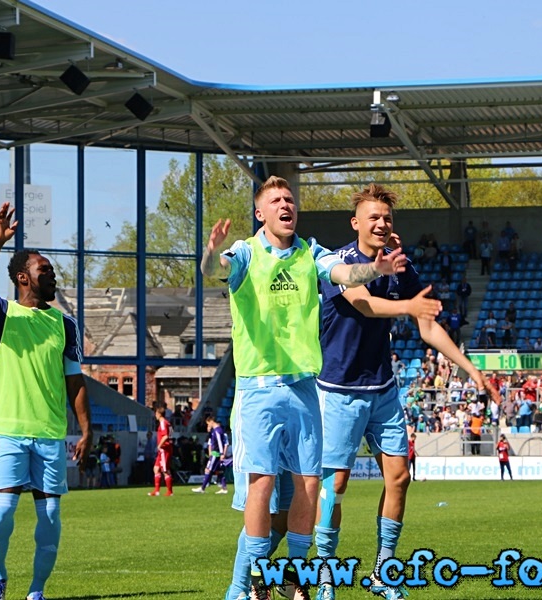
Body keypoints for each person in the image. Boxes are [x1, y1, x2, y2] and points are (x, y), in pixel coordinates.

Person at [201, 175, 408, 599]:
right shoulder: (245, 253)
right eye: (276, 200)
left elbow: (345, 272)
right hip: (258, 390)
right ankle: (258, 579)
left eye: (290, 199)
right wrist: (208, 254)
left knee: (309, 486)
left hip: (304, 389)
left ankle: (294, 580)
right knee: (261, 485)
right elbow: (214, 271)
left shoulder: (310, 252)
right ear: (261, 213)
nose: (285, 205)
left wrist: (377, 268)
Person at [312, 183, 498, 600]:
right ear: (355, 222)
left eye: (387, 218)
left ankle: (382, 572)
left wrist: (470, 369)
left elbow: (428, 325)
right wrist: (407, 307)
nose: (381, 223)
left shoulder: (401, 266)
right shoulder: (338, 263)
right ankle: (326, 574)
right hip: (338, 390)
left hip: (383, 389)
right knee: (335, 484)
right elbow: (363, 303)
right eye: (373, 217)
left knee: (399, 477)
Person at [0, 201, 91, 600]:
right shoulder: (1, 315)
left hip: (51, 434)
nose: (52, 275)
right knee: (2, 513)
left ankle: (36, 592)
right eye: (45, 270)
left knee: (51, 516)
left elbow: (75, 381)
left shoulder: (64, 323)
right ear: (23, 277)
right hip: (10, 432)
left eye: (52, 271)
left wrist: (85, 429)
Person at [193, 415, 228, 493]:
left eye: (208, 423)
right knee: (219, 471)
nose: (208, 425)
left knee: (208, 469)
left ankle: (203, 488)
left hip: (216, 453)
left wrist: (222, 453)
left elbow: (219, 442)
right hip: (217, 453)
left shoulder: (217, 430)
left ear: (211, 421)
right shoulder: (216, 430)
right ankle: (224, 488)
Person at [149, 405, 174, 496]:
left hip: (164, 448)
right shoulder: (167, 423)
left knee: (165, 470)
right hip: (164, 449)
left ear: (159, 414)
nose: (155, 415)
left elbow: (166, 435)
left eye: (156, 413)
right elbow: (171, 432)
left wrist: (159, 445)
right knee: (156, 469)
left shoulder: (163, 423)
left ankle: (170, 491)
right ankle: (156, 491)